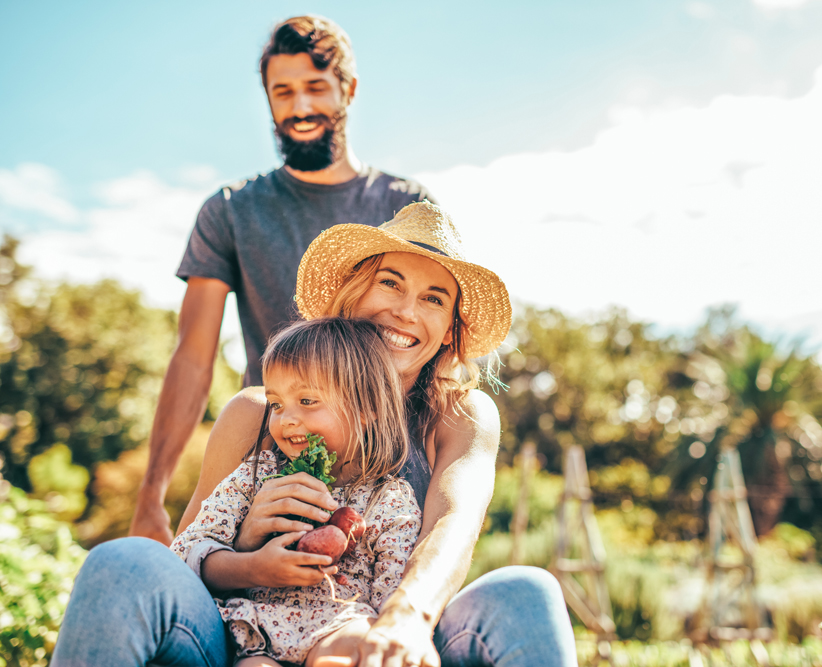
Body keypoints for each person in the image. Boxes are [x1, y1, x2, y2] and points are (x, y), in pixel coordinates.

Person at [53, 201, 578, 667]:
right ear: (353, 293)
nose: (405, 310)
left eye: (434, 299)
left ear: (450, 331)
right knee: (121, 562)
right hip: (241, 635)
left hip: (375, 629)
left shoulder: (459, 414)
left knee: (527, 590)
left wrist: (406, 618)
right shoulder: (256, 413)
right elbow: (186, 559)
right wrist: (247, 540)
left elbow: (453, 524)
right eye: (390, 282)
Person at [130, 14, 434, 546]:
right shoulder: (231, 211)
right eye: (283, 91)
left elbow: (432, 338)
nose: (300, 107)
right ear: (267, 97)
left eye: (315, 88)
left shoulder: (403, 206)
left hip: (389, 464)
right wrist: (151, 492)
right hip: (271, 457)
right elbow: (193, 357)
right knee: (217, 593)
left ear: (349, 90)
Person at [172, 317, 421, 666]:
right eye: (276, 404)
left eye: (307, 400)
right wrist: (252, 567)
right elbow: (185, 552)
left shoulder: (389, 499)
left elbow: (392, 590)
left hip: (340, 624)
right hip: (257, 632)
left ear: (367, 409)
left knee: (357, 644)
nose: (286, 418)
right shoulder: (256, 477)